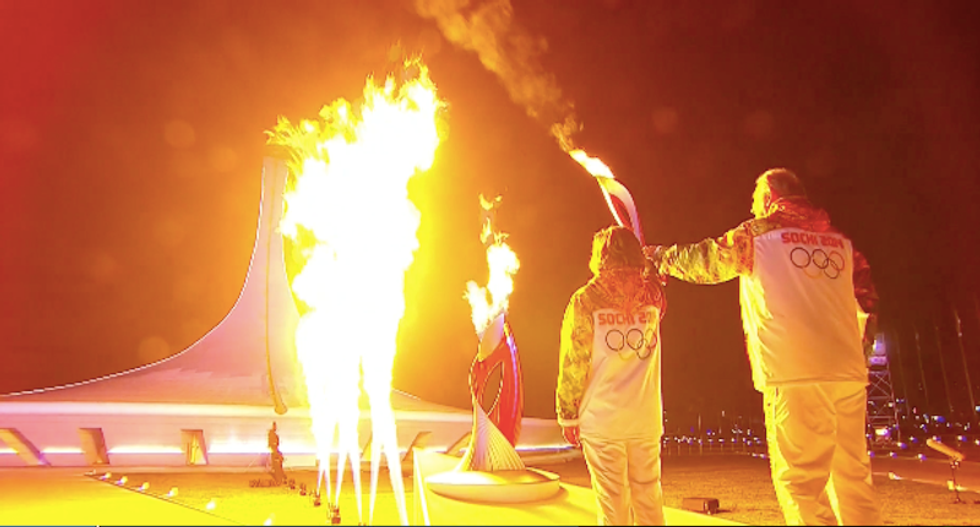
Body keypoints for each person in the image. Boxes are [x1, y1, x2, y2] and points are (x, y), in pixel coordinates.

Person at [646, 168, 881, 525]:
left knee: (802, 485)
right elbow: (868, 305)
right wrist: (857, 359)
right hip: (847, 375)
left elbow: (706, 262)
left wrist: (660, 257)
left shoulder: (758, 235)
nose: (754, 210)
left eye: (756, 202)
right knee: (853, 479)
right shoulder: (842, 243)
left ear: (769, 197)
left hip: (794, 373)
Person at [556, 225, 667, 526]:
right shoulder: (652, 295)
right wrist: (652, 270)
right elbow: (660, 293)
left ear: (599, 256)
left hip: (603, 419)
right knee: (649, 502)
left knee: (613, 507)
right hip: (644, 418)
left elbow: (574, 361)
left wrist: (567, 415)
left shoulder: (586, 300)